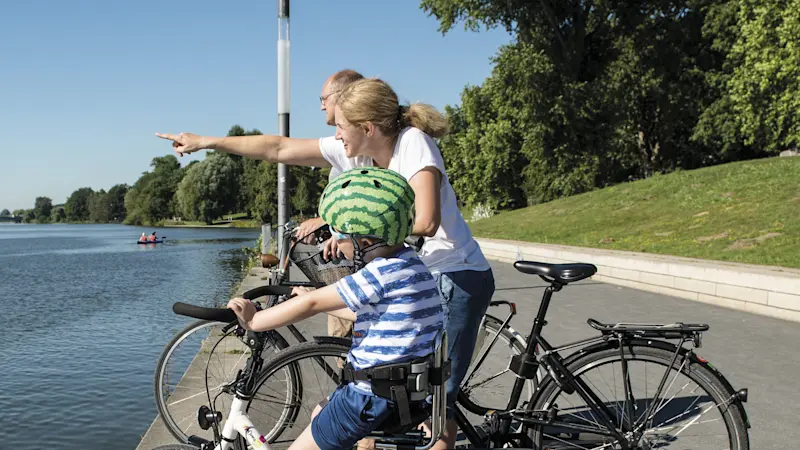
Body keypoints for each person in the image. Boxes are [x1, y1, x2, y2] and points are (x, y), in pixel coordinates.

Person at [156, 76, 495, 448]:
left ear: (367, 127)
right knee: (390, 394)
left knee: (436, 405)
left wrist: (354, 231)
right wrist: (207, 142)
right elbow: (278, 147)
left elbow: (427, 221)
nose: (334, 133)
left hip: (451, 274)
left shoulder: (411, 143)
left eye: (339, 125)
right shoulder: (357, 152)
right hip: (407, 277)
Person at [226, 168, 444, 450]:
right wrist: (315, 296)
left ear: (364, 242)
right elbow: (375, 315)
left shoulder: (378, 273)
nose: (336, 247)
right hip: (402, 395)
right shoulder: (410, 265)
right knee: (320, 411)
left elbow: (311, 303)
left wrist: (255, 320)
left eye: (338, 237)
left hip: (367, 398)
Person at [294, 69, 365, 344]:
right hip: (350, 251)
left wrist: (332, 228)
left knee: (348, 324)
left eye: (323, 98)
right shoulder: (345, 148)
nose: (322, 105)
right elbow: (340, 200)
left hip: (360, 257)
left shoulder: (367, 150)